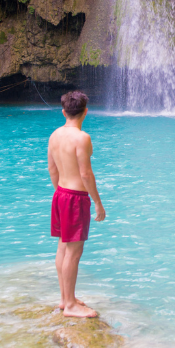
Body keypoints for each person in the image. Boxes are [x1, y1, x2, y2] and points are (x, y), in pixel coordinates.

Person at [47, 90, 105, 318]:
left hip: (60, 193)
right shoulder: (82, 138)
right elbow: (86, 174)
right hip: (75, 198)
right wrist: (97, 203)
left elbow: (52, 168)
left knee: (63, 246)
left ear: (63, 112)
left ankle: (65, 298)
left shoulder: (54, 135)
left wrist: (58, 193)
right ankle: (70, 306)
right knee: (74, 251)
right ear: (85, 112)